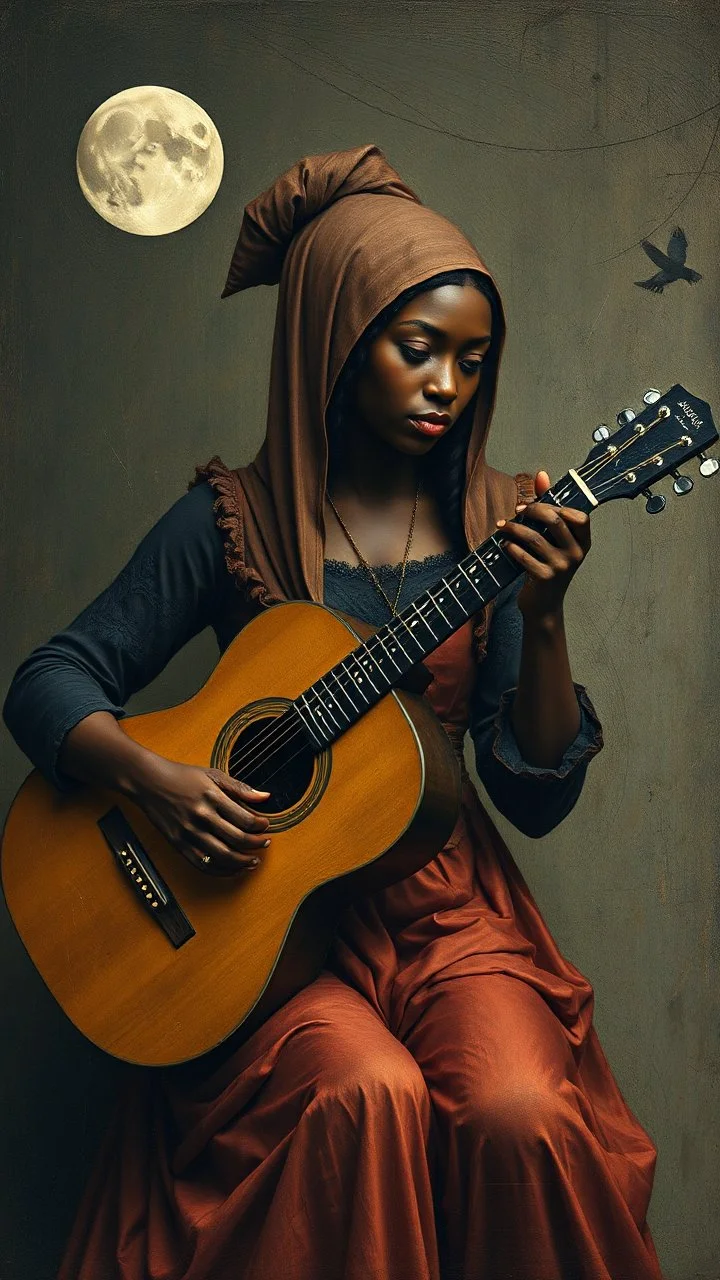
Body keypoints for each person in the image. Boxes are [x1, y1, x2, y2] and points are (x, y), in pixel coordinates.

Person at [2, 145, 664, 1280]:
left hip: (450, 918)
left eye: (473, 359)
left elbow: (531, 793)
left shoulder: (501, 525)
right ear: (337, 340)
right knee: (364, 1093)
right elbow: (48, 681)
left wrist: (543, 612)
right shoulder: (231, 520)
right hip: (260, 924)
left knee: (519, 1109)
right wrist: (168, 781)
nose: (448, 385)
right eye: (419, 350)